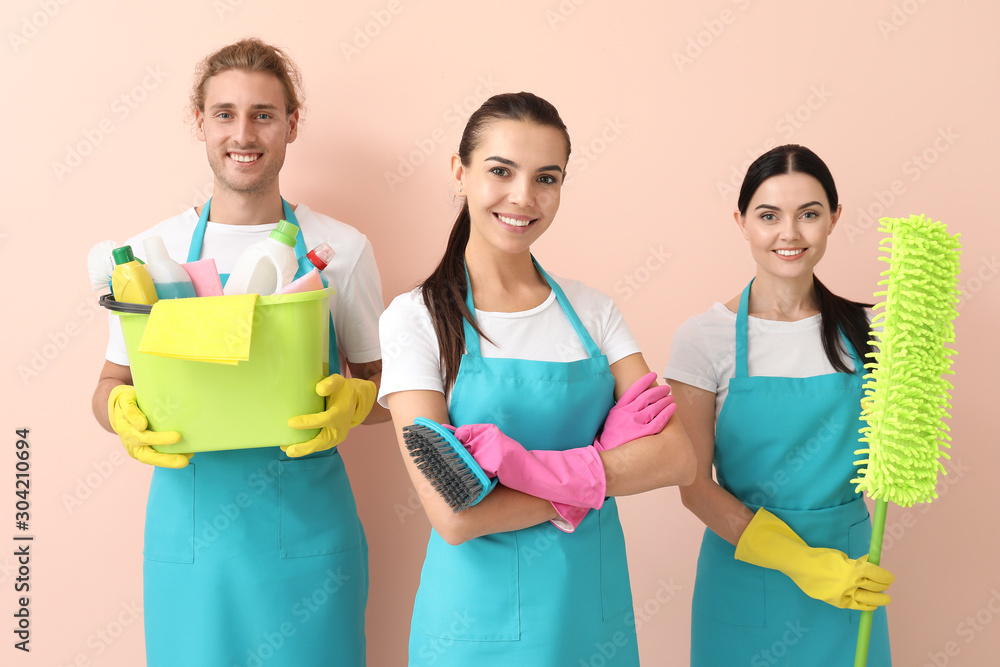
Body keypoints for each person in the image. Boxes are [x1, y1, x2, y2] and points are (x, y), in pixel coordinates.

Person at [90, 38, 388, 667]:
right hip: (191, 535)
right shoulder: (151, 252)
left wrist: (359, 401)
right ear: (199, 123)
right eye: (224, 113)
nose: (243, 133)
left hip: (308, 531)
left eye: (264, 113)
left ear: (292, 124)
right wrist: (121, 412)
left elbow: (384, 385)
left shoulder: (344, 247)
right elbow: (112, 381)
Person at [377, 91, 696, 665]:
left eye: (546, 178)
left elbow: (676, 456)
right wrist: (595, 473)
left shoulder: (594, 313)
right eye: (501, 171)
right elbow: (453, 515)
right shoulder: (416, 318)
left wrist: (524, 472)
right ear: (460, 172)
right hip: (474, 628)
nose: (523, 197)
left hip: (591, 620)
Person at [665, 144, 893, 665]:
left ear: (834, 218)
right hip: (746, 574)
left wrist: (836, 568)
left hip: (849, 577)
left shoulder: (874, 333)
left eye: (809, 214)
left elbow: (894, 455)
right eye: (768, 216)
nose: (789, 234)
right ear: (742, 221)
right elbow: (694, 487)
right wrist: (806, 564)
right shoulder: (704, 339)